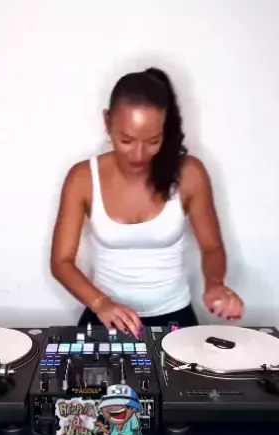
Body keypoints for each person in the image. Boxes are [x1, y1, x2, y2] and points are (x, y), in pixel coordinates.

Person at [50, 67, 244, 338]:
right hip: (106, 315)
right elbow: (61, 261)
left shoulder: (190, 174)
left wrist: (215, 284)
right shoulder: (82, 178)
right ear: (107, 122)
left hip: (175, 316)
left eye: (153, 141)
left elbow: (212, 247)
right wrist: (100, 303)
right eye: (127, 140)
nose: (139, 155)